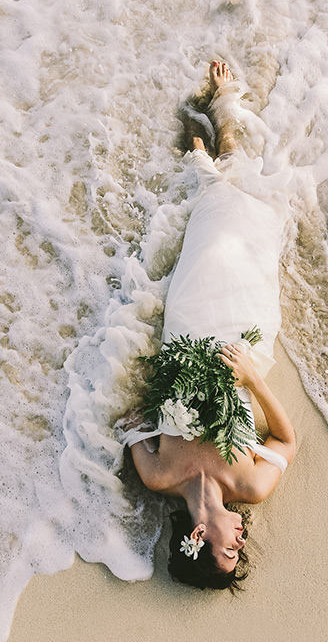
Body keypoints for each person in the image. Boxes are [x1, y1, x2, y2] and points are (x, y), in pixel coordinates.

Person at [125, 60, 298, 590]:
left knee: (214, 231)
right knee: (243, 223)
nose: (241, 543)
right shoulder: (250, 484)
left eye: (229, 551)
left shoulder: (159, 475)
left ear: (197, 539)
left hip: (191, 327)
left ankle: (206, 143)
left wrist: (150, 401)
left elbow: (130, 419)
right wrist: (251, 382)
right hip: (245, 335)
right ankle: (219, 125)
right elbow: (287, 443)